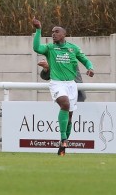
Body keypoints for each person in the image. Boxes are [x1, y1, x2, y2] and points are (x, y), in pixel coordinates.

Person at [32, 17, 94, 156]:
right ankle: (64, 138)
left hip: (71, 85)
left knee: (70, 116)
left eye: (57, 32)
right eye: (52, 32)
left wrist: (90, 68)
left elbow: (85, 60)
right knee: (65, 104)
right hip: (57, 83)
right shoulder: (50, 48)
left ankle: (63, 144)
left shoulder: (73, 48)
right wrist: (38, 29)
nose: (53, 34)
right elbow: (36, 48)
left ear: (64, 34)